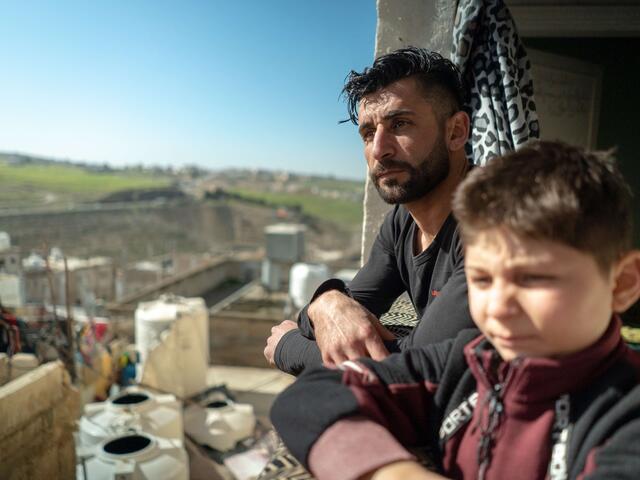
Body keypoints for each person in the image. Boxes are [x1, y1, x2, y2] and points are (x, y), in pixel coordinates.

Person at [270, 140, 640, 480]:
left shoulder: (623, 421)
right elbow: (310, 398)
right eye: (481, 280)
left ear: (622, 284)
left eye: (533, 280)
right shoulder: (465, 365)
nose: (497, 308)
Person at [264, 47, 476, 374]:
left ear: (456, 131)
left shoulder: (492, 228)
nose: (379, 149)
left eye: (400, 124)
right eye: (367, 133)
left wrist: (289, 347)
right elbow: (348, 313)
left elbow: (411, 373)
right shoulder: (404, 221)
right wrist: (326, 303)